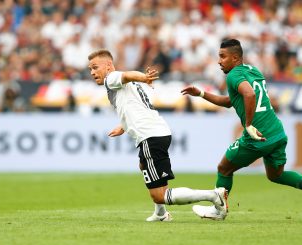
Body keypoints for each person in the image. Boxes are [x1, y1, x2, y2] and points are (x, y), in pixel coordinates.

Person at [88, 49, 228, 222]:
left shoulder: (112, 78)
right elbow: (133, 106)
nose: (92, 72)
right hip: (156, 132)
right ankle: (160, 214)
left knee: (159, 195)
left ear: (108, 65)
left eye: (95, 67)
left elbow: (127, 75)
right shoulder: (121, 86)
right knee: (143, 164)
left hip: (150, 135)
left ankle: (214, 196)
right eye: (90, 69)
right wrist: (123, 127)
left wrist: (143, 78)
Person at [181, 39, 302, 220]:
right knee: (276, 175)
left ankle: (218, 210)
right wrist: (201, 93)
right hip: (277, 132)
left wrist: (248, 124)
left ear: (236, 58)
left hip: (258, 135)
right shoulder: (253, 70)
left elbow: (249, 94)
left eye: (223, 56)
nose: (219, 61)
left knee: (224, 168)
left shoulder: (233, 75)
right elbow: (231, 101)